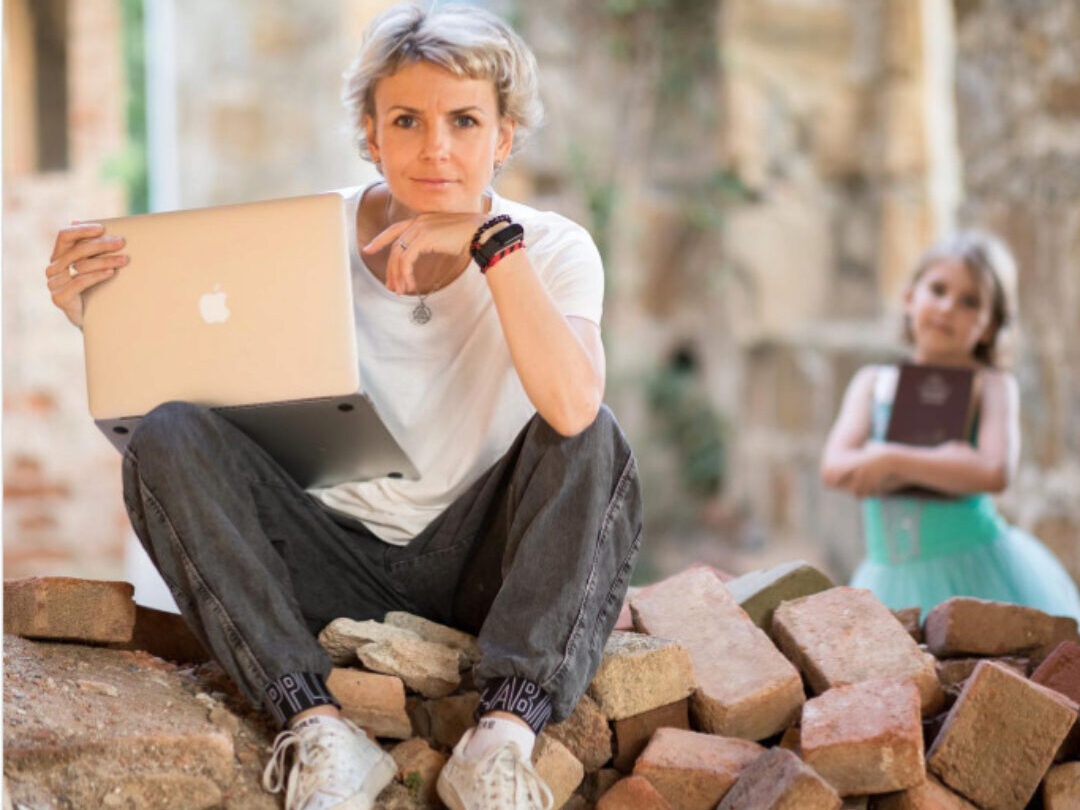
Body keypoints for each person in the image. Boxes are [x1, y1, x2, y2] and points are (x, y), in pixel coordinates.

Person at [43, 5, 643, 809]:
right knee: (167, 435)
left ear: (504, 137)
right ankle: (319, 728)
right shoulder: (300, 236)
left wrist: (491, 247)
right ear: (371, 133)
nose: (436, 147)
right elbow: (204, 405)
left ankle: (500, 740)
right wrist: (101, 316)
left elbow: (572, 408)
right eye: (407, 120)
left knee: (592, 432)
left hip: (485, 568)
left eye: (465, 121)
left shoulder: (553, 247)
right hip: (326, 564)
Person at [820, 230, 1080, 622]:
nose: (947, 307)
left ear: (990, 325)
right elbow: (835, 467)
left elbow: (993, 471)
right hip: (887, 578)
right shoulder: (872, 382)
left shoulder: (992, 386)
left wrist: (888, 459)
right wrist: (947, 461)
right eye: (938, 290)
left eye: (969, 301)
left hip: (977, 575)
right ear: (909, 298)